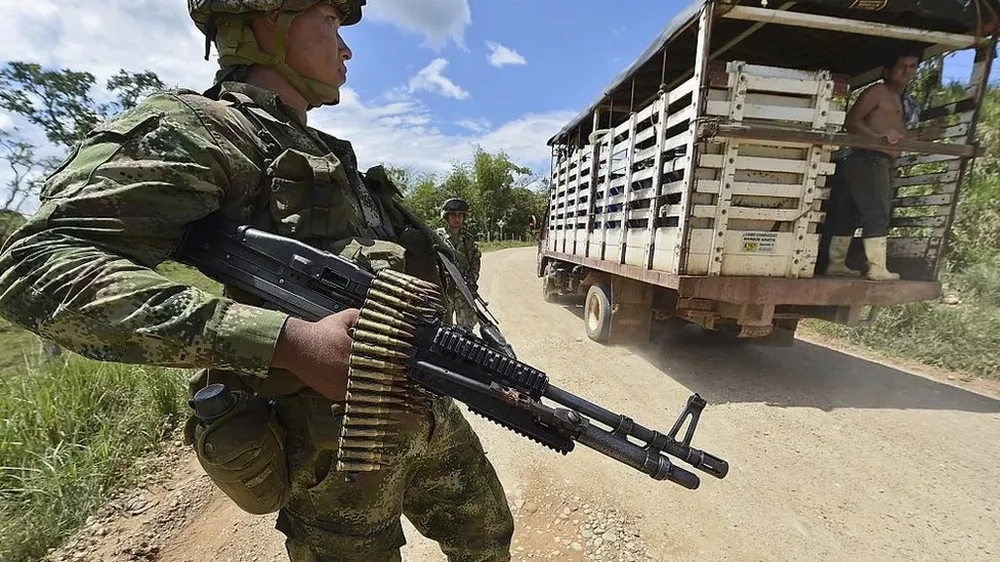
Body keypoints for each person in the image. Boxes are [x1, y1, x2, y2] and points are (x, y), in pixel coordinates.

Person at [0, 2, 514, 561]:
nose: (347, 49)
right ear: (267, 21)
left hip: (421, 403)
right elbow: (33, 265)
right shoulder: (200, 131)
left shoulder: (326, 154)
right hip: (335, 447)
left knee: (487, 539)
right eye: (332, 23)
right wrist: (287, 341)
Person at [823, 50, 934, 281]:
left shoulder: (901, 99)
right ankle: (877, 268)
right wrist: (876, 137)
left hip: (869, 160)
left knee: (849, 214)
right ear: (887, 70)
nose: (907, 71)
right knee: (877, 212)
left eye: (912, 66)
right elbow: (852, 120)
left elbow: (894, 135)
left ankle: (835, 264)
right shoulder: (878, 91)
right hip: (869, 158)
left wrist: (921, 135)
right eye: (902, 66)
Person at [436, 198, 482, 332]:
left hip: (464, 291)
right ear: (446, 217)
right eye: (453, 215)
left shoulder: (469, 240)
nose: (457, 218)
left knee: (466, 330)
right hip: (444, 291)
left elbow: (475, 263)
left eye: (460, 215)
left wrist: (471, 281)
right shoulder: (437, 237)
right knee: (442, 329)